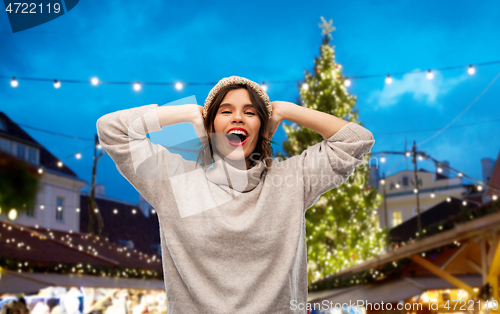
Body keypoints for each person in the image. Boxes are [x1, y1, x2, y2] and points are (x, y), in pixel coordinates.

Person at [96, 75, 375, 313]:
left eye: (250, 112)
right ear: (211, 126)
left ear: (262, 128)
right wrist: (186, 113)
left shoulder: (291, 180)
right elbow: (111, 130)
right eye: (226, 111)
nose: (238, 117)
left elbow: (355, 140)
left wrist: (286, 110)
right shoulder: (176, 181)